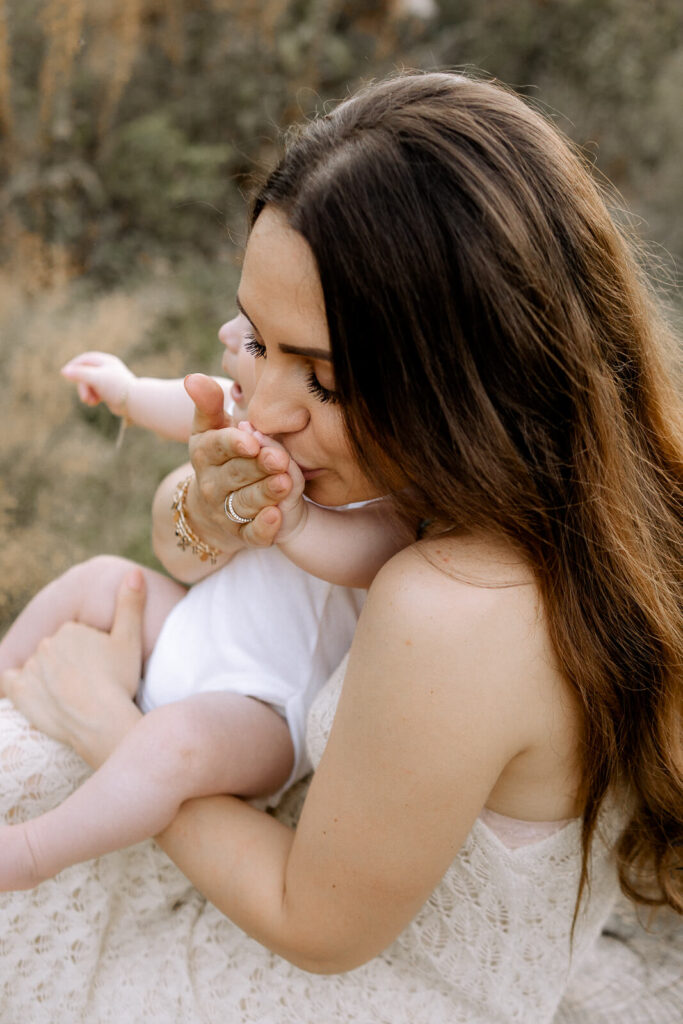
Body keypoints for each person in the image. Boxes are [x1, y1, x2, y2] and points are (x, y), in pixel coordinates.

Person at [0, 71, 681, 1023]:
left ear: (464, 374)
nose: (267, 411)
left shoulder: (455, 600)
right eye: (255, 341)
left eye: (322, 381)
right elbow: (189, 544)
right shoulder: (558, 508)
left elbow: (316, 928)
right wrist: (203, 510)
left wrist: (102, 722)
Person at [0, 320, 406, 891]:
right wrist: (126, 390)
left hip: (263, 709)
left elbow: (369, 554)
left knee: (174, 744)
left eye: (256, 342)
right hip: (184, 632)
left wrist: (299, 520)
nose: (227, 330)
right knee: (101, 578)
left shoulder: (391, 491)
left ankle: (34, 850)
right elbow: (190, 410)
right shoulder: (263, 422)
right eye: (253, 330)